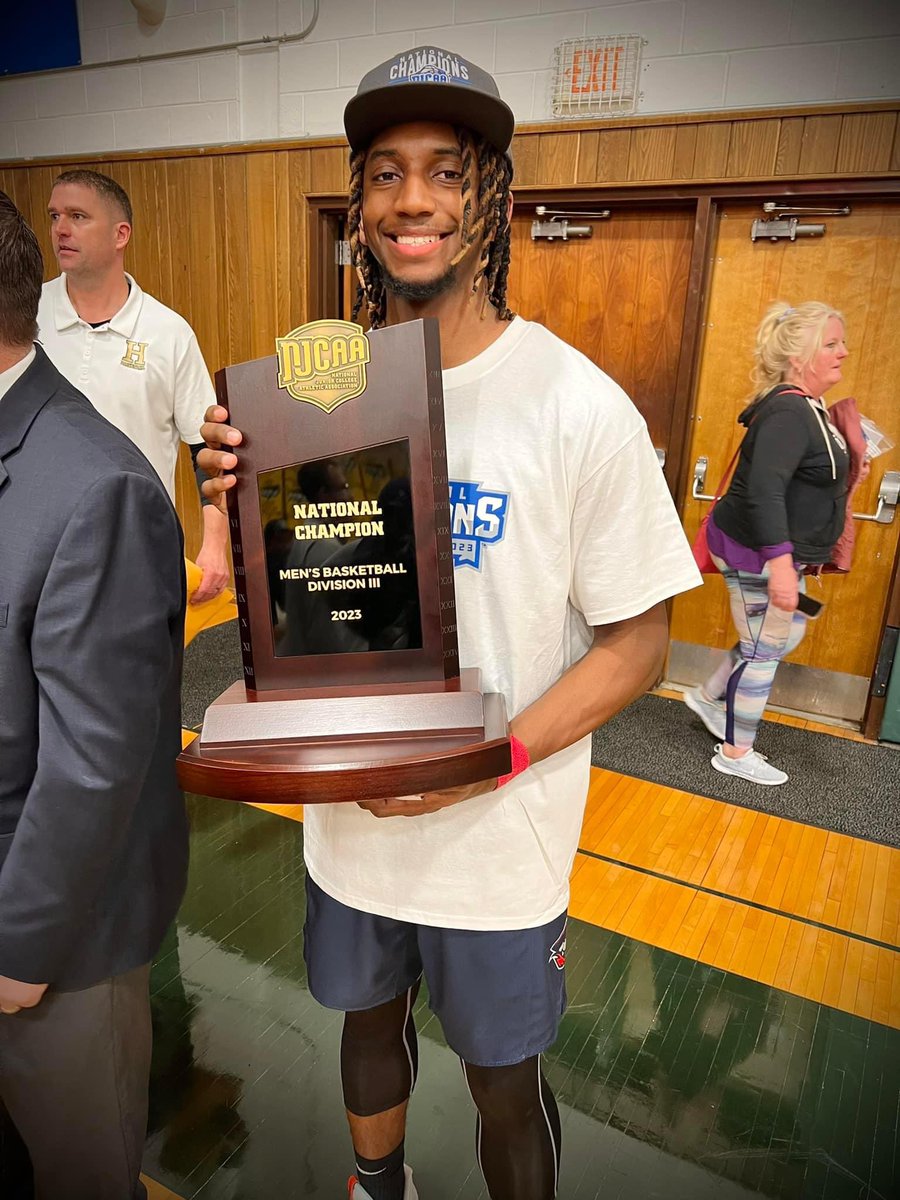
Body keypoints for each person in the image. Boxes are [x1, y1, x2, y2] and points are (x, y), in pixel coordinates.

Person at [197, 47, 700, 1200]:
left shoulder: (579, 406)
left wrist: (487, 760)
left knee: (503, 1081)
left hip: (498, 846)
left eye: (444, 171)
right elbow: (304, 607)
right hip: (353, 825)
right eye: (384, 172)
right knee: (367, 1029)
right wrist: (238, 499)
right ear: (359, 207)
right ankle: (379, 1189)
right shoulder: (318, 394)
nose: (410, 198)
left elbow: (639, 644)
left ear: (493, 204)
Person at [0, 191, 188, 1199]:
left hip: (48, 940)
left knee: (75, 1170)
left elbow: (95, 758)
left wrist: (20, 946)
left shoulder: (95, 487)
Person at [37, 168, 229, 604]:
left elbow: (206, 448)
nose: (61, 229)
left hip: (140, 552)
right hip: (41, 551)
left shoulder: (168, 332)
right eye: (54, 216)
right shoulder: (25, 316)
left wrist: (215, 543)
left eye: (78, 216)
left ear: (120, 234)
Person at [684, 301, 853, 786]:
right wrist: (780, 565)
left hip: (772, 551)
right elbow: (764, 490)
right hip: (756, 552)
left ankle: (708, 698)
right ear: (799, 358)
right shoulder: (788, 411)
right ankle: (735, 753)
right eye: (831, 344)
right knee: (765, 650)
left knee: (782, 635)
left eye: (841, 342)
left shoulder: (809, 408)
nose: (844, 352)